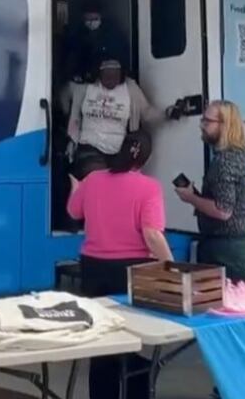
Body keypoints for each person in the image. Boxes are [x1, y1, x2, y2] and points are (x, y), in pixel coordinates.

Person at [67, 131, 169, 399]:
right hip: (132, 272)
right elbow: (152, 235)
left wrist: (76, 188)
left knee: (102, 342)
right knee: (132, 337)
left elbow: (74, 211)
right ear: (145, 160)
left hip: (93, 270)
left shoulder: (93, 180)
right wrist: (172, 267)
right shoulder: (149, 187)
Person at [174, 100, 245, 279]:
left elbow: (223, 210)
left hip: (226, 250)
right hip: (241, 244)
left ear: (224, 125)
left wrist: (191, 198)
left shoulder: (224, 162)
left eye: (207, 121)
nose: (201, 126)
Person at [67, 57, 178, 179]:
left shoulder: (130, 88)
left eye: (115, 73)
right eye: (107, 73)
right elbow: (73, 117)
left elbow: (147, 113)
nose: (111, 78)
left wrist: (167, 114)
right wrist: (71, 141)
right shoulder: (85, 88)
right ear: (99, 72)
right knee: (98, 178)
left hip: (120, 149)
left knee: (119, 181)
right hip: (90, 146)